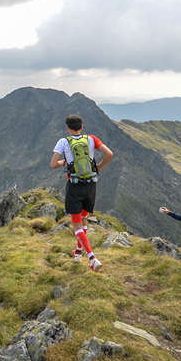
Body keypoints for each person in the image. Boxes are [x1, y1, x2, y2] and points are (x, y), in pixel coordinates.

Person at [50, 114, 114, 272]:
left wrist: (64, 162)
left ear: (68, 128)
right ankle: (78, 253)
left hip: (75, 186)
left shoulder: (64, 142)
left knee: (77, 223)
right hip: (91, 185)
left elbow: (53, 164)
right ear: (82, 127)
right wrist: (99, 167)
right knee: (84, 219)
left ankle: (92, 258)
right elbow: (109, 154)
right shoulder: (91, 139)